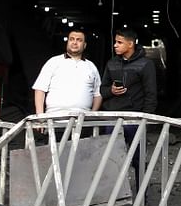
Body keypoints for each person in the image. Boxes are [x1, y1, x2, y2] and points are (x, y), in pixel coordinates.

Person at [100, 28, 157, 188]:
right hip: (112, 118)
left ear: (130, 44)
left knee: (138, 159)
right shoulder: (111, 63)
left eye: (119, 42)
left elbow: (151, 94)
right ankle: (112, 200)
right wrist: (111, 91)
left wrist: (145, 118)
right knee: (110, 160)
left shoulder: (146, 64)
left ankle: (141, 199)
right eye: (115, 42)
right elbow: (102, 90)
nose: (115, 45)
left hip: (135, 118)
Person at [32, 29, 102, 136]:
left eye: (79, 40)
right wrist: (40, 117)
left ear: (85, 45)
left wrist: (91, 115)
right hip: (54, 122)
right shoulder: (53, 62)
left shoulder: (91, 67)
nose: (74, 42)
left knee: (82, 152)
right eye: (71, 39)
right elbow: (40, 90)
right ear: (67, 42)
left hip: (82, 124)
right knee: (55, 153)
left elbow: (98, 94)